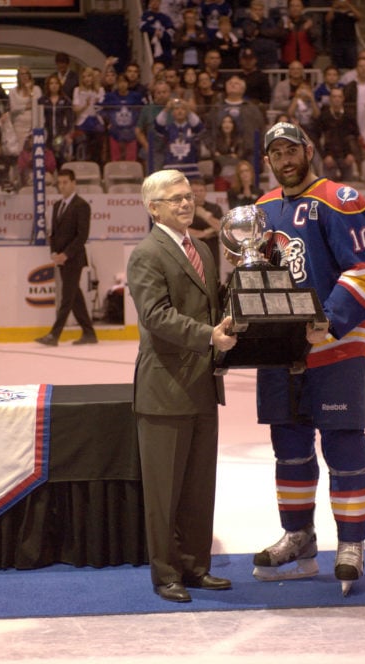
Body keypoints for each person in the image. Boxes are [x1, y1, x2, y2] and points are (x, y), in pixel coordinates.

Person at [252, 122, 365, 596]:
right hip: (279, 350)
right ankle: (298, 536)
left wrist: (327, 322)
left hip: (336, 348)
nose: (285, 160)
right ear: (268, 161)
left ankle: (351, 543)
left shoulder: (340, 199)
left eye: (292, 150)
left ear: (308, 150)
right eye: (276, 153)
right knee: (288, 446)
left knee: (344, 446)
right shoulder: (261, 210)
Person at [126, 168, 236, 603]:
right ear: (154, 209)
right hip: (165, 390)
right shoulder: (146, 254)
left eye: (188, 196)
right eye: (176, 199)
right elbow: (156, 316)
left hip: (202, 386)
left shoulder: (203, 249)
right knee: (165, 493)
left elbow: (213, 304)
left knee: (198, 489)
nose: (187, 203)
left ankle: (196, 566)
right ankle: (166, 574)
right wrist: (209, 336)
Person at [34, 169, 97, 346]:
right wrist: (54, 252)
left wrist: (66, 254)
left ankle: (54, 335)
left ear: (73, 183)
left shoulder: (82, 206)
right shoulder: (56, 206)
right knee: (74, 296)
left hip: (74, 259)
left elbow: (82, 236)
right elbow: (53, 233)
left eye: (65, 182)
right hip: (61, 259)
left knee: (67, 297)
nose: (62, 186)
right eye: (59, 183)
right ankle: (89, 333)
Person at [187, 177, 222, 267]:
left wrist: (205, 215)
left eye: (201, 190)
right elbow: (183, 230)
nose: (198, 193)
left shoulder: (215, 208)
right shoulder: (185, 209)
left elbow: (221, 228)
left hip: (211, 251)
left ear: (206, 192)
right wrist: (205, 233)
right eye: (195, 191)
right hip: (191, 251)